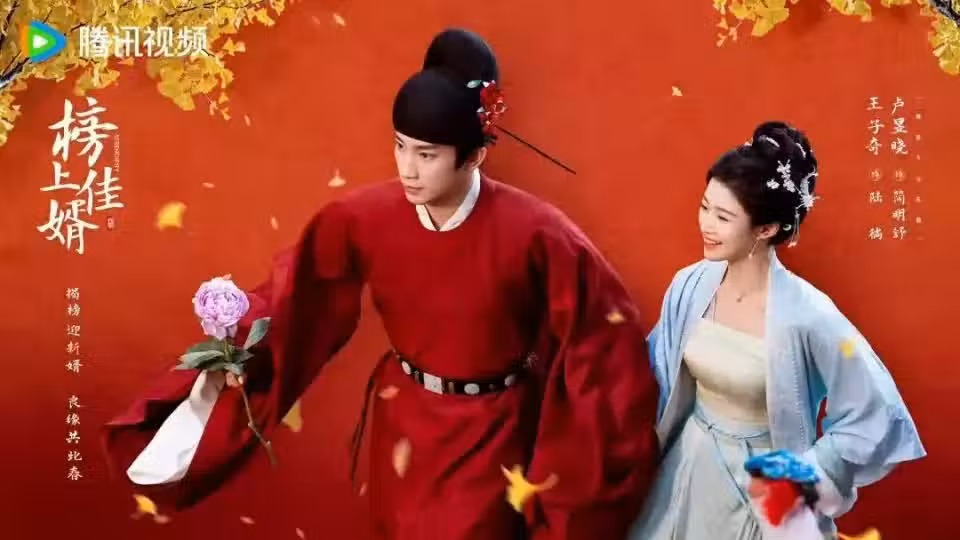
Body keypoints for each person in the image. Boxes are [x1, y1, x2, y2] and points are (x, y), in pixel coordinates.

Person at [101, 28, 660, 540]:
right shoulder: (362, 218)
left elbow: (601, 342)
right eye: (400, 145)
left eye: (427, 154)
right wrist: (237, 345)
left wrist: (579, 476)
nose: (407, 169)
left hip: (494, 433)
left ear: (475, 155)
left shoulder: (538, 232)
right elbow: (299, 295)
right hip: (405, 425)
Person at [628, 121, 926, 540]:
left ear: (766, 229)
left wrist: (806, 474)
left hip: (762, 486)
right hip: (686, 465)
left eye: (723, 217)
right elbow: (653, 375)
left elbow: (875, 414)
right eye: (704, 207)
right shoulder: (690, 284)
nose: (706, 224)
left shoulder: (809, 315)